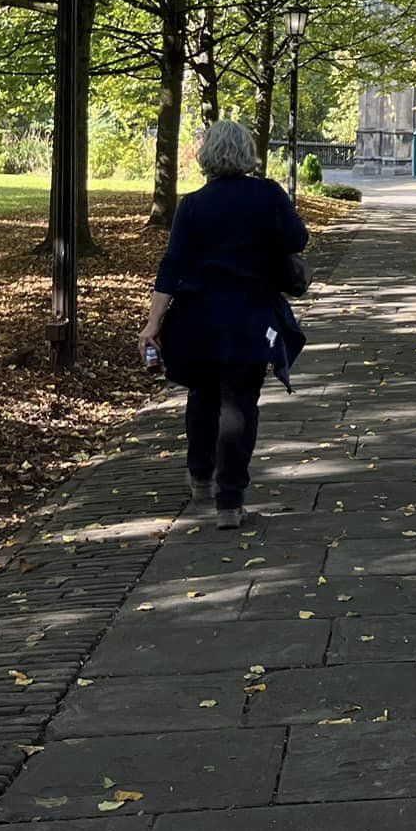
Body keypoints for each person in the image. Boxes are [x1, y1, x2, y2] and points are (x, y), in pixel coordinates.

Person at [137, 119, 308, 530]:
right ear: (247, 152)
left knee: (203, 395)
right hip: (251, 316)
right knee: (240, 404)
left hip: (199, 318)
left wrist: (152, 322)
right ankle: (230, 501)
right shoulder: (267, 194)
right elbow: (297, 239)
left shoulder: (193, 205)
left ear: (207, 155)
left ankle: (200, 477)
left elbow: (171, 266)